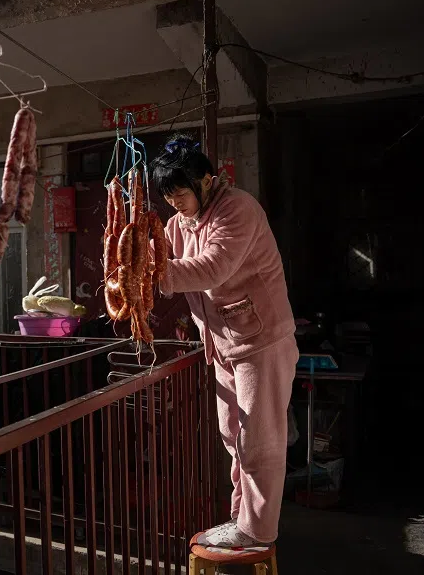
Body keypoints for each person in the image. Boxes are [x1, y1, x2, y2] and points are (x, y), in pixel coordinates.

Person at [152, 134, 298, 547]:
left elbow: (212, 267)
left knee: (258, 441)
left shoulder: (237, 209)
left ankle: (256, 532)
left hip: (261, 340)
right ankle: (241, 519)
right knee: (233, 435)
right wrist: (132, 257)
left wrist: (155, 271)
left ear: (206, 181)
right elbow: (159, 252)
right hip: (222, 344)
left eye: (181, 194)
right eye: (169, 197)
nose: (175, 204)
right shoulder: (179, 222)